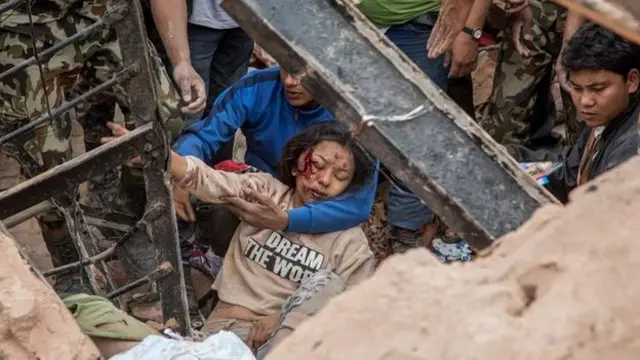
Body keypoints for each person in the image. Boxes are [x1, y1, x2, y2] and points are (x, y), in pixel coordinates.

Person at [105, 121, 376, 354]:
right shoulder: (266, 192)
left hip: (288, 344)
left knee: (329, 285)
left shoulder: (348, 240)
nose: (324, 179)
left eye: (340, 176)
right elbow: (213, 181)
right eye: (316, 165)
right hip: (222, 331)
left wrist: (289, 317)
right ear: (295, 166)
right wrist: (163, 157)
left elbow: (358, 312)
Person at [0, 0, 202, 296]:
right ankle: (69, 260)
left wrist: (182, 61)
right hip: (23, 32)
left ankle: (125, 222)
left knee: (164, 118)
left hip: (104, 18)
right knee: (45, 158)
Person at [171, 66, 378, 241]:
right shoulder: (255, 87)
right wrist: (180, 175)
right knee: (219, 209)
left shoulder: (357, 116)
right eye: (285, 67)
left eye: (302, 73)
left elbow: (358, 205)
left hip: (319, 204)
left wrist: (287, 220)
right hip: (259, 190)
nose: (289, 81)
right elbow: (204, 136)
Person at [356, 0, 491, 257]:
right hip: (347, 17)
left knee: (417, 133)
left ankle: (408, 230)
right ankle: (341, 219)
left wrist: (470, 29)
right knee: (348, 119)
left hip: (420, 23)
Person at [507, 23, 640, 203]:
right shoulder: (606, 118)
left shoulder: (631, 151)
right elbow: (566, 173)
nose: (585, 101)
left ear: (632, 81)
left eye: (598, 89)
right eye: (577, 88)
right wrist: (511, 161)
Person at [478, 0, 583, 147]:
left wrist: (569, 48)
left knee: (587, 140)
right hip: (534, 14)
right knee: (502, 132)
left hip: (594, 21)